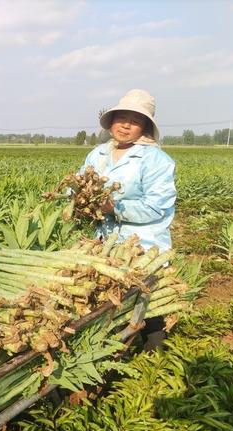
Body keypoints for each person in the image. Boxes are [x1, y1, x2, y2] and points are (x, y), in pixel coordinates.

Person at [79, 89, 177, 351]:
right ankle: (113, 351)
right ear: (111, 122)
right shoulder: (97, 154)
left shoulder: (156, 160)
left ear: (144, 127)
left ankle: (155, 358)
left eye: (134, 120)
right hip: (105, 241)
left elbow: (157, 207)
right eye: (120, 118)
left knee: (148, 301)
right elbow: (79, 186)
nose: (125, 125)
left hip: (144, 244)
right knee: (109, 300)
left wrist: (113, 206)